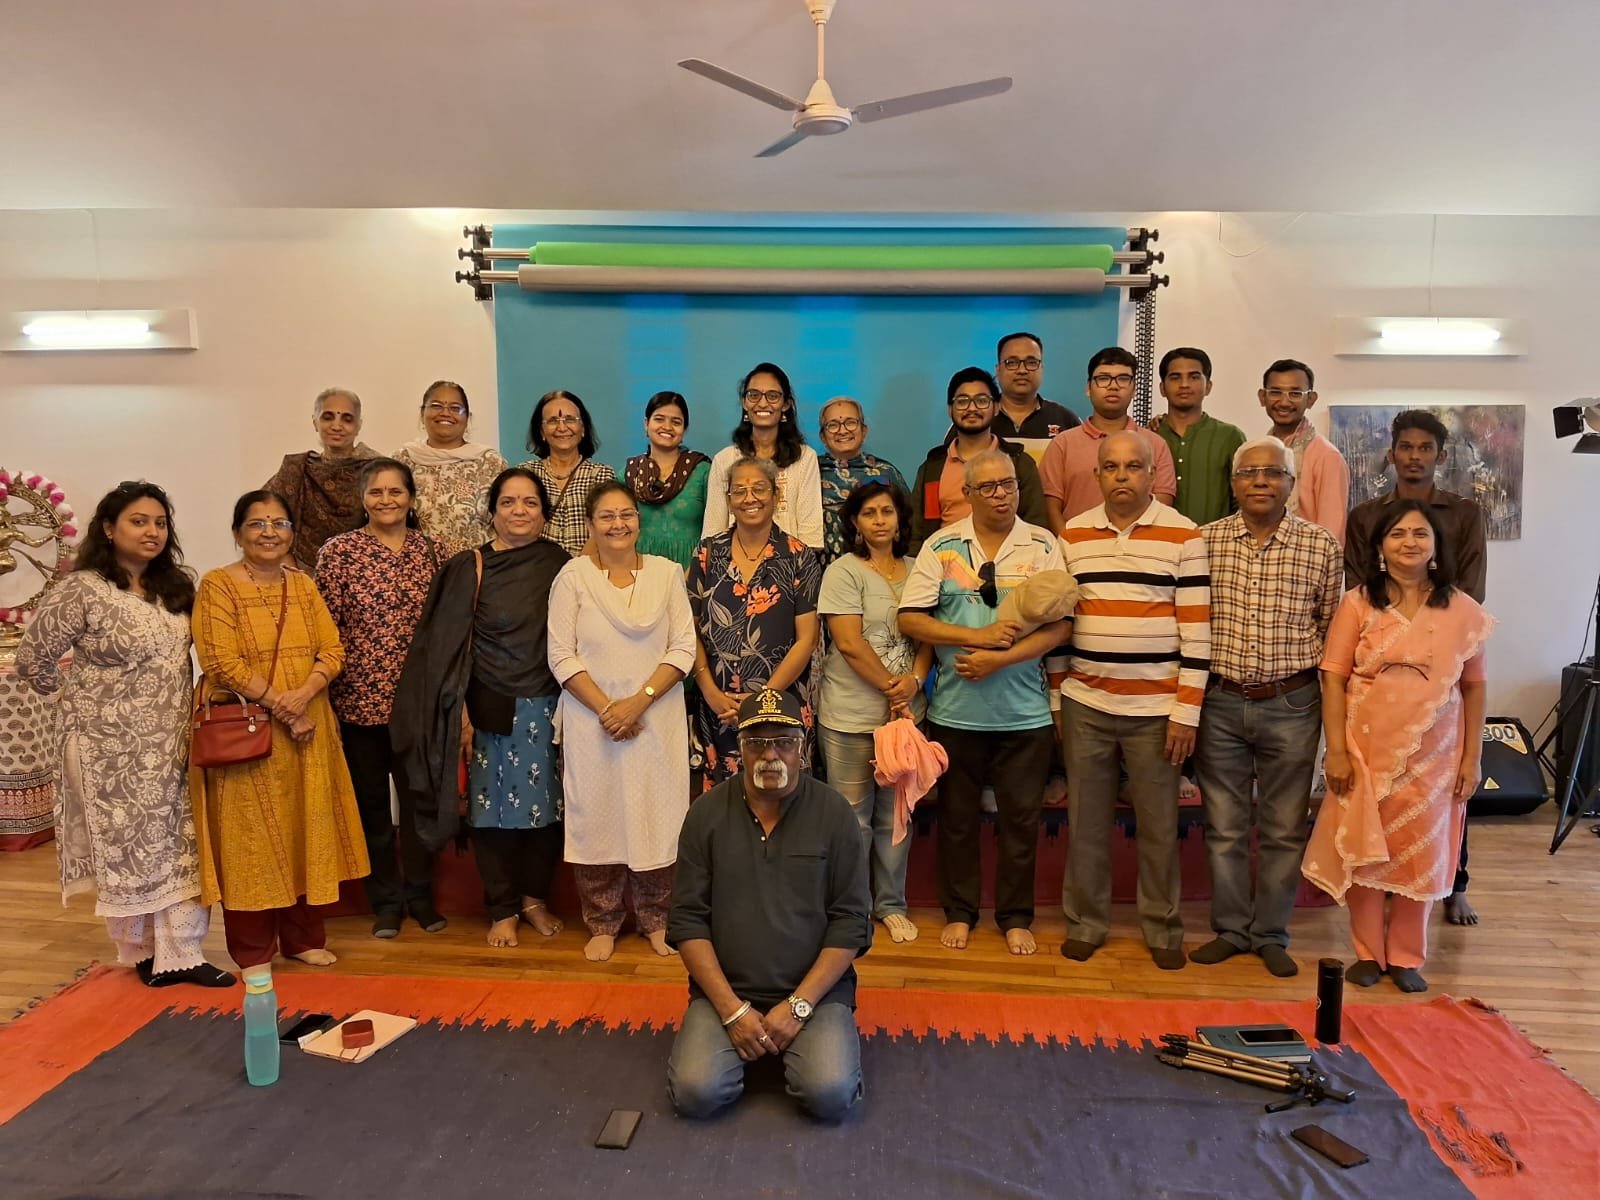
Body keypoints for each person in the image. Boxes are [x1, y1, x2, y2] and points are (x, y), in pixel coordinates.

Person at [16, 482, 233, 988]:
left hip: (172, 744)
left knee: (178, 845)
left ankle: (184, 952)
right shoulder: (84, 589)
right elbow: (32, 660)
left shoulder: (175, 587)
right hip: (106, 751)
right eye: (139, 521)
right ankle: (142, 952)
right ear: (109, 529)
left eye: (160, 523)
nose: (152, 531)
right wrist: (76, 704)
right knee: (132, 850)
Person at [1302, 501, 1493, 993]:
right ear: (1380, 548)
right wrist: (1336, 752)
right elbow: (1333, 677)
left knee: (1420, 853)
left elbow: (1474, 687)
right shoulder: (1358, 604)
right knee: (1366, 848)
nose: (1409, 542)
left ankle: (1407, 956)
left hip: (1435, 754)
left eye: (1420, 534)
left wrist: (1471, 758)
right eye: (1398, 533)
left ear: (1436, 547)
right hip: (1365, 748)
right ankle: (1368, 953)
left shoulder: (1462, 611)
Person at [665, 689, 871, 1121]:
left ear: (803, 746)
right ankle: (755, 1040)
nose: (770, 754)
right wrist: (732, 1011)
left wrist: (798, 1007)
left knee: (830, 1094)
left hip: (815, 996)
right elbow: (687, 921)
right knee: (695, 1093)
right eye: (757, 742)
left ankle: (792, 1044)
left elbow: (851, 922)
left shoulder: (835, 814)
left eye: (784, 742)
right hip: (726, 994)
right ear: (739, 747)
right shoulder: (704, 814)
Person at [188, 490, 369, 970]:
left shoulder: (303, 585)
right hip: (247, 731)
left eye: (279, 523)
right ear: (237, 533)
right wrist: (285, 708)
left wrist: (303, 694)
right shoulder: (218, 585)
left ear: (291, 532)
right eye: (257, 523)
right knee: (250, 840)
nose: (269, 532)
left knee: (306, 829)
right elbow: (219, 660)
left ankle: (303, 939)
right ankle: (253, 950)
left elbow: (333, 650)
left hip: (309, 729)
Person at [899, 450, 1070, 956]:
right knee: (957, 822)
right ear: (968, 493)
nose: (1001, 495)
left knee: (1021, 823)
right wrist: (972, 637)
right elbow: (911, 618)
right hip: (955, 715)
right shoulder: (941, 546)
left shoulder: (1043, 544)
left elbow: (1061, 626)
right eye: (989, 487)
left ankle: (1015, 917)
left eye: (1008, 485)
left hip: (1026, 716)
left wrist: (999, 658)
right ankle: (960, 912)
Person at [391, 468, 568, 949]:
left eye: (530, 503)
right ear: (491, 512)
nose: (519, 511)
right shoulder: (469, 567)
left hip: (553, 705)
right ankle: (502, 908)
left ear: (545, 514)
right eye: (508, 502)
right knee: (493, 815)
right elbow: (445, 649)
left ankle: (534, 901)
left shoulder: (561, 564)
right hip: (488, 706)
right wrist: (461, 715)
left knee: (549, 812)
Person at [1189, 439, 1342, 977]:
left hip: (1292, 702)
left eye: (1273, 473)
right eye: (1249, 472)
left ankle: (1271, 933)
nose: (1260, 481)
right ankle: (1232, 929)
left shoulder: (1321, 546)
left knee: (1283, 827)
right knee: (1224, 825)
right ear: (1233, 483)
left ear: (1290, 484)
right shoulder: (1203, 542)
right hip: (1221, 701)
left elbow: (1330, 628)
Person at [1057, 432, 1210, 970]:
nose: (1121, 476)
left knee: (1159, 827)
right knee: (1086, 824)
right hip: (1086, 704)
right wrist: (1057, 696)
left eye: (1132, 466)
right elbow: (1060, 622)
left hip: (1157, 712)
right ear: (1097, 474)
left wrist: (1186, 712)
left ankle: (1163, 929)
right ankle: (1085, 922)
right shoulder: (1073, 534)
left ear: (1152, 474)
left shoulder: (1184, 535)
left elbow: (1197, 631)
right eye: (1111, 467)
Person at [1344, 409, 1489, 926]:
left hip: (1442, 658)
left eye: (1425, 448)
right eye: (1405, 447)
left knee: (1443, 789)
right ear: (1392, 454)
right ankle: (1385, 881)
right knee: (1383, 790)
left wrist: (1433, 630)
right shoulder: (1366, 515)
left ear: (1440, 456)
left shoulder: (1464, 513)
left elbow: (1470, 586)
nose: (1414, 456)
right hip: (1383, 664)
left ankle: (1452, 883)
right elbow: (1360, 583)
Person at [548, 481, 696, 962]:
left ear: (638, 520)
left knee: (658, 817)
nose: (618, 524)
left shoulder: (666, 574)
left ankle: (657, 920)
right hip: (592, 722)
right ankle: (603, 922)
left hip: (656, 719)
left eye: (626, 514)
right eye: (607, 516)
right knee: (597, 816)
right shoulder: (572, 577)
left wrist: (638, 703)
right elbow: (560, 655)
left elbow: (683, 648)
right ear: (590, 524)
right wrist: (609, 710)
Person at [315, 458, 446, 939]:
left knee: (418, 808)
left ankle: (421, 896)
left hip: (419, 707)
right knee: (371, 809)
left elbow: (446, 628)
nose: (386, 500)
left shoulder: (434, 550)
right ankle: (386, 902)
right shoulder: (339, 552)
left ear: (411, 498)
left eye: (396, 491)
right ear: (363, 499)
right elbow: (324, 629)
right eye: (377, 492)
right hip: (357, 703)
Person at [818, 482, 933, 943]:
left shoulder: (919, 569)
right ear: (855, 523)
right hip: (850, 714)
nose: (880, 520)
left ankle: (891, 904)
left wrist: (914, 683)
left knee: (895, 816)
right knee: (853, 819)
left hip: (904, 718)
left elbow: (928, 636)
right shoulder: (843, 571)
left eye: (887, 511)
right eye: (869, 513)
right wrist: (893, 689)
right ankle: (853, 908)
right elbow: (848, 643)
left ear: (901, 519)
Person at [687, 456, 822, 791]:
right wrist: (710, 692)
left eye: (759, 488)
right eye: (739, 490)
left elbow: (807, 639)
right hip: (719, 707)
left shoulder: (798, 556)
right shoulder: (707, 553)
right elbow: (688, 630)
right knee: (726, 802)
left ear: (777, 495)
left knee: (783, 795)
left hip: (782, 704)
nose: (750, 498)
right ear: (729, 499)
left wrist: (763, 699)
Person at [907, 366, 1049, 555]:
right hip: (945, 563)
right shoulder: (932, 469)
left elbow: (1036, 524)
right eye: (962, 401)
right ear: (950, 410)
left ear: (996, 407)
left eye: (981, 400)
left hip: (1010, 563)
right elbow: (917, 533)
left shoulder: (1018, 463)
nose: (972, 408)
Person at [1039, 347, 1177, 533]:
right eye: (1103, 378)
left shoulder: (1156, 445)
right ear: (1089, 388)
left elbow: (1162, 506)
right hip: (1076, 547)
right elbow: (1050, 507)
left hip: (1141, 548)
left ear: (1134, 389)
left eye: (1123, 379)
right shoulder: (1062, 444)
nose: (1113, 386)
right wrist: (1070, 544)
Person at [702, 363, 824, 549]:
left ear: (786, 404)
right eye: (754, 395)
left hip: (792, 563)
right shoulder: (724, 460)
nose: (763, 403)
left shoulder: (805, 458)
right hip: (733, 562)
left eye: (773, 396)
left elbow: (811, 534)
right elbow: (712, 532)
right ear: (744, 402)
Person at [263, 387, 381, 569]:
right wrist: (284, 555)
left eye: (347, 419)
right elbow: (264, 511)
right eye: (327, 417)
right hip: (302, 571)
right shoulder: (298, 468)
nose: (336, 426)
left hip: (366, 570)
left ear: (358, 425)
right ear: (315, 422)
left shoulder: (376, 470)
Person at [394, 380, 509, 558]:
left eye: (455, 408)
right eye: (436, 406)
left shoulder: (490, 462)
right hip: (415, 566)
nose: (445, 413)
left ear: (467, 417)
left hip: (478, 566)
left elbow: (507, 520)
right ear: (422, 413)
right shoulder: (402, 461)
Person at [1258, 358, 1350, 546]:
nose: (1284, 402)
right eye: (1275, 392)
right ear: (1262, 397)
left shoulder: (1326, 456)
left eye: (1295, 394)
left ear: (1311, 399)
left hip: (1306, 559)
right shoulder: (1262, 452)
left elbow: (1331, 535)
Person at [1151, 348, 1247, 527]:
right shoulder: (1149, 436)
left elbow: (1243, 497)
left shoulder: (1230, 436)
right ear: (1162, 388)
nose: (1184, 384)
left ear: (1208, 386)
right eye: (1175, 377)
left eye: (1194, 377)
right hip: (1155, 540)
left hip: (1215, 540)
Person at [519, 389, 616, 557]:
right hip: (535, 567)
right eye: (553, 421)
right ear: (542, 432)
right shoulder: (526, 474)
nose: (562, 427)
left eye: (570, 420)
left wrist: (576, 568)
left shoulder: (601, 475)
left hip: (587, 567)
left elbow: (606, 527)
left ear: (582, 429)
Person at [815, 396, 909, 563]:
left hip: (879, 567)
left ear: (864, 431)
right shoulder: (811, 472)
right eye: (833, 425)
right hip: (821, 568)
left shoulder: (886, 472)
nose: (843, 431)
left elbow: (908, 522)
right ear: (823, 436)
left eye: (850, 422)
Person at [624, 390, 712, 569]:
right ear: (646, 424)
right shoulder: (629, 474)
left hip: (690, 572)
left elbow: (716, 530)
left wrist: (696, 574)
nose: (667, 427)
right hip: (638, 572)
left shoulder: (703, 472)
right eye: (659, 419)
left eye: (676, 422)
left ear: (684, 430)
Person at [989, 330, 1082, 460]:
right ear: (998, 370)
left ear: (1041, 368)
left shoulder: (1065, 420)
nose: (1022, 370)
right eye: (1012, 362)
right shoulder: (980, 417)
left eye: (1031, 362)